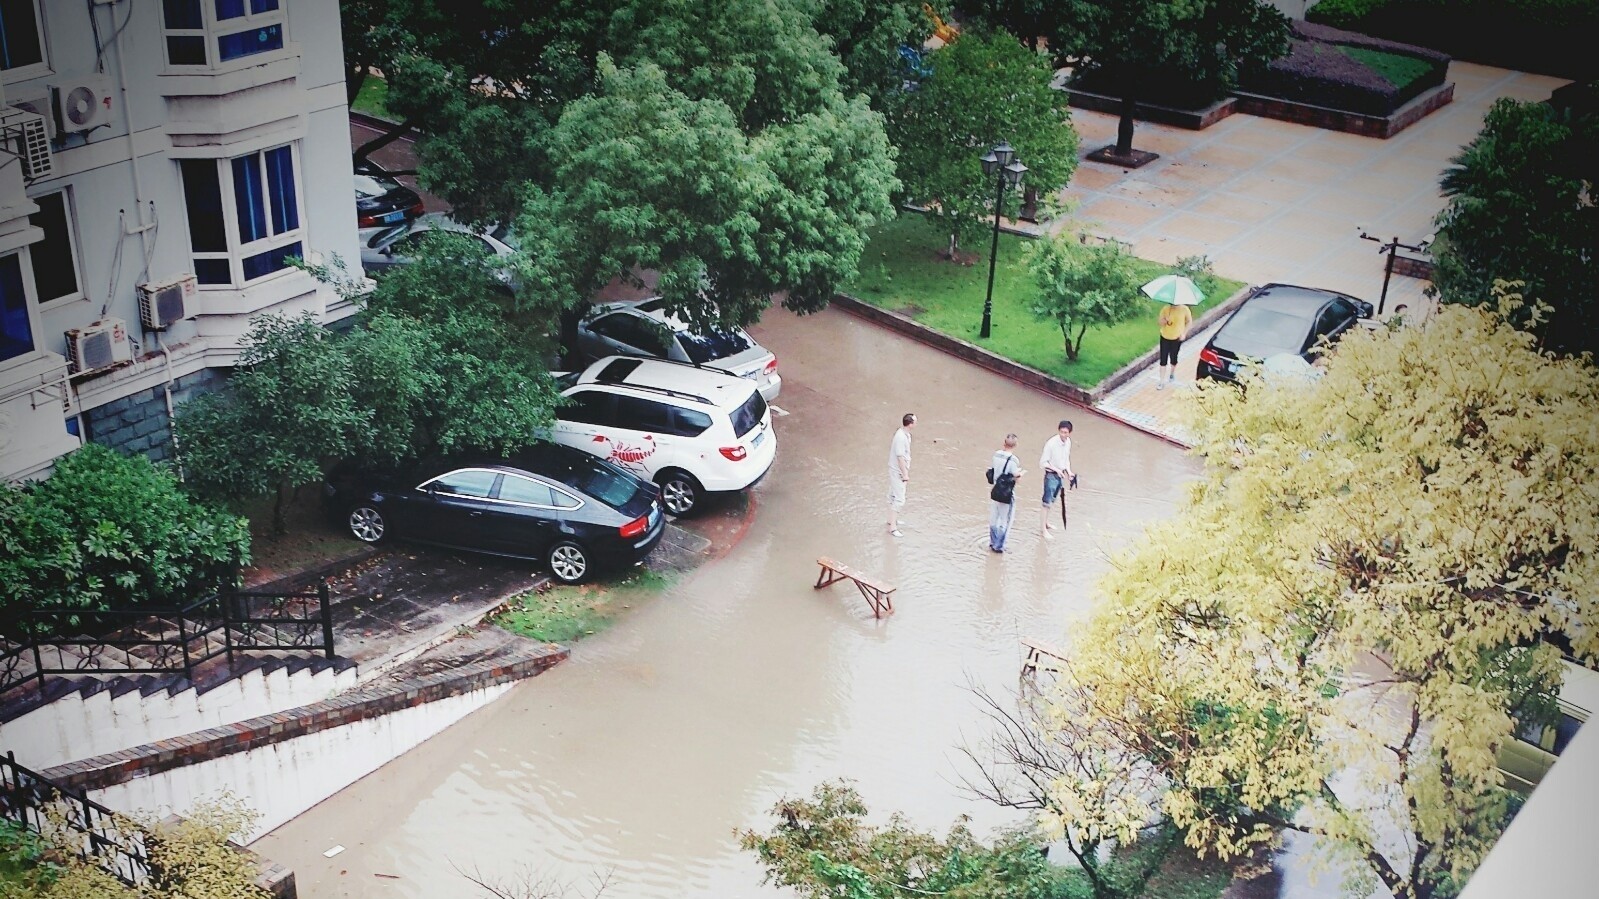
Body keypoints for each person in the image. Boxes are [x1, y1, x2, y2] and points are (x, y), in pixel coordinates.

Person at [987, 434, 1025, 553]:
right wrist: (1020, 474)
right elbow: (1015, 476)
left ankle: (992, 542)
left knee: (993, 518)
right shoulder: (1014, 460)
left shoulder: (996, 455)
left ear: (1004, 443)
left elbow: (993, 470)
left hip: (995, 491)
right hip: (1006, 494)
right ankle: (999, 546)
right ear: (1016, 445)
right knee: (1005, 520)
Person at [1039, 420, 1075, 539]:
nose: (1063, 435)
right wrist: (1057, 470)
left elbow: (1066, 459)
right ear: (1058, 431)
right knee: (1046, 503)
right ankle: (1043, 530)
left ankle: (1046, 523)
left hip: (1060, 475)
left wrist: (1069, 472)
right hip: (1051, 475)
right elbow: (1043, 463)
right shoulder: (1051, 444)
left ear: (1069, 433)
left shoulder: (1068, 442)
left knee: (1052, 501)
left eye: (1066, 432)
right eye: (1061, 432)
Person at [887, 412, 915, 537]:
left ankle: (891, 520)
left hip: (896, 470)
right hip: (897, 471)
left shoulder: (905, 435)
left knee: (892, 495)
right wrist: (905, 474)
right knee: (899, 499)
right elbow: (900, 457)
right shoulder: (901, 437)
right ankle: (893, 528)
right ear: (910, 424)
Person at [1157, 301, 1192, 389]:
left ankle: (1172, 373)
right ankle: (1161, 381)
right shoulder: (1166, 309)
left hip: (1177, 338)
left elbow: (1189, 322)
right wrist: (1165, 320)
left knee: (1173, 357)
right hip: (1165, 337)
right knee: (1163, 358)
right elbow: (1160, 322)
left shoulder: (1184, 309)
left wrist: (1184, 333)